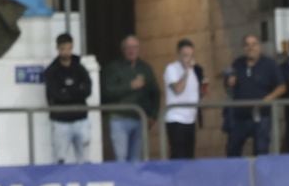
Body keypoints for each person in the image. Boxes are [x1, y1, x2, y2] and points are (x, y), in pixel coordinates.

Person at [101, 33, 158, 162]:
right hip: (119, 119)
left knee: (136, 160)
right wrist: (130, 86)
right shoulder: (113, 68)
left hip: (140, 119)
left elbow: (155, 93)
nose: (132, 50)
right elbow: (107, 92)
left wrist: (153, 115)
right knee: (121, 158)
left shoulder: (145, 68)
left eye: (135, 47)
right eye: (129, 47)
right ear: (123, 49)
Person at [223, 33, 282, 157]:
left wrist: (269, 98)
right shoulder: (237, 63)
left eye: (254, 44)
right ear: (244, 48)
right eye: (247, 45)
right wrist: (229, 82)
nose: (251, 48)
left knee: (261, 152)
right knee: (232, 150)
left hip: (261, 115)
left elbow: (282, 87)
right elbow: (228, 86)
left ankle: (259, 171)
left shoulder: (269, 64)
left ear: (259, 46)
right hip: (239, 117)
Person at [43, 31, 92, 163]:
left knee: (84, 159)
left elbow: (88, 90)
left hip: (81, 119)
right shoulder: (51, 71)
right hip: (60, 121)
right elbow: (56, 95)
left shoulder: (80, 68)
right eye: (63, 48)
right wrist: (76, 91)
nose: (66, 52)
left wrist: (67, 91)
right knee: (60, 159)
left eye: (69, 48)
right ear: (58, 49)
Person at [163, 38, 203, 160]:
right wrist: (185, 72)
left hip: (190, 119)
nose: (188, 59)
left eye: (190, 55)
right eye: (185, 55)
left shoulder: (195, 70)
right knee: (178, 156)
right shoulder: (171, 69)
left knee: (189, 156)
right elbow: (178, 89)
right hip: (176, 119)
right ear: (179, 54)